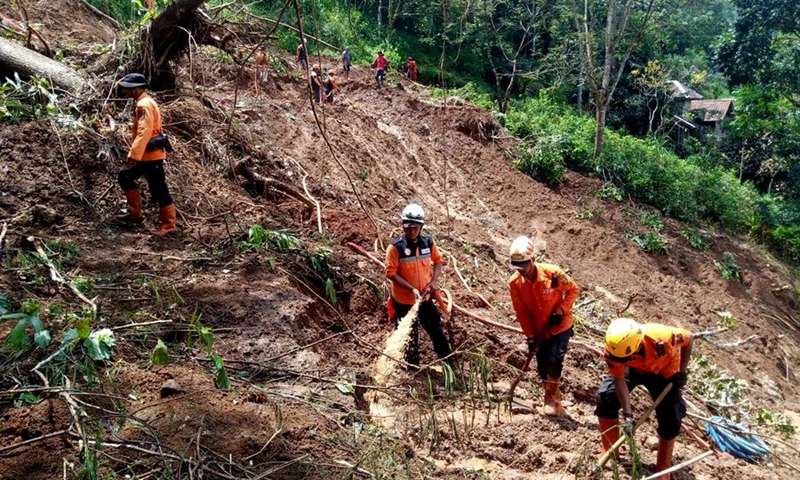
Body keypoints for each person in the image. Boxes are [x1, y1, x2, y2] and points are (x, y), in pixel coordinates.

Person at [596, 318, 693, 479]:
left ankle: (663, 468)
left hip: (664, 370)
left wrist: (682, 372)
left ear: (636, 348)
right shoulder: (614, 351)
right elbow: (619, 380)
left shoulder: (664, 337)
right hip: (635, 369)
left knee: (672, 415)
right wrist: (628, 416)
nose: (619, 361)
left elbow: (690, 338)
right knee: (606, 396)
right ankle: (610, 450)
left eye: (624, 358)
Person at [507, 235, 579, 416]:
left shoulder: (553, 274)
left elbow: (573, 290)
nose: (521, 271)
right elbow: (522, 312)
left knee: (555, 359)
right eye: (518, 268)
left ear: (533, 260)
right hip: (539, 329)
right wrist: (530, 335)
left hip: (560, 325)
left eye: (524, 266)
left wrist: (561, 310)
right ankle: (557, 400)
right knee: (543, 366)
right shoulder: (515, 284)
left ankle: (549, 399)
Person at [385, 204, 452, 368]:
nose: (412, 231)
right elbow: (390, 273)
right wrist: (412, 289)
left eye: (415, 227)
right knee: (409, 338)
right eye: (408, 227)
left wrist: (434, 281)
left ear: (421, 226)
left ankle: (449, 365)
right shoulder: (396, 248)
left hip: (425, 299)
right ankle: (412, 369)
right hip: (403, 302)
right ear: (403, 225)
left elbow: (438, 261)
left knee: (436, 331)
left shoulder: (428, 243)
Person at [115, 73, 176, 236]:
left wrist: (134, 153)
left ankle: (169, 225)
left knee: (159, 189)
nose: (126, 92)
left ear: (136, 88)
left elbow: (144, 131)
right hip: (146, 155)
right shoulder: (144, 102)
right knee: (125, 176)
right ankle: (135, 214)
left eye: (128, 88)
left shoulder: (144, 105)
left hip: (150, 155)